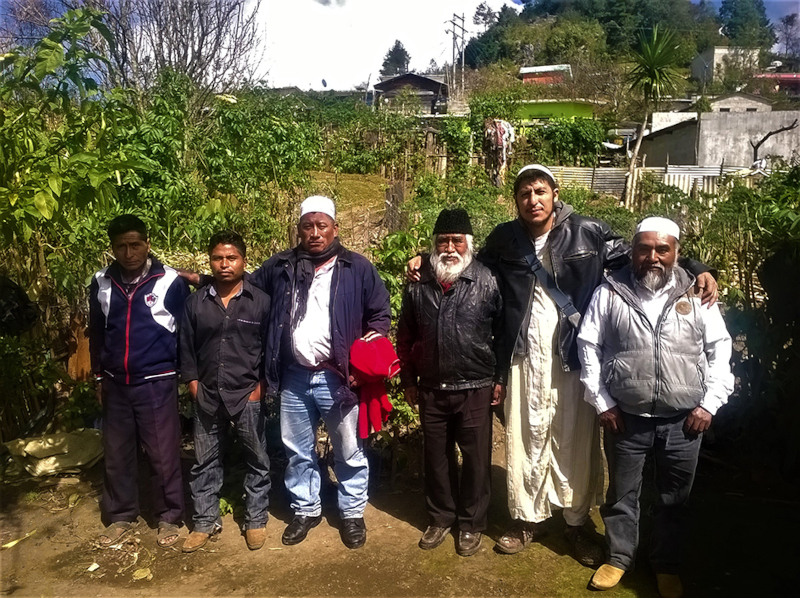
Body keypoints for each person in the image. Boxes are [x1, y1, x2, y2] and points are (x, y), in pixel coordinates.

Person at [407, 164, 718, 566]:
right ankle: (526, 519)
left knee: (574, 440)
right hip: (522, 354)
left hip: (573, 353)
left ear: (555, 193)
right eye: (524, 193)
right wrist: (423, 258)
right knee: (526, 435)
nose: (532, 200)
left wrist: (694, 265)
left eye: (539, 191)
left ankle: (576, 524)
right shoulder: (505, 239)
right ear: (515, 200)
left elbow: (645, 253)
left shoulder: (587, 230)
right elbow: (467, 263)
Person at [577, 217, 734, 597]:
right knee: (621, 495)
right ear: (632, 251)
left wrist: (709, 405)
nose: (653, 257)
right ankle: (618, 558)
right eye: (644, 248)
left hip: (685, 422)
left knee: (674, 499)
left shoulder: (698, 296)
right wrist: (603, 402)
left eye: (662, 249)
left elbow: (720, 351)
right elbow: (589, 347)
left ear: (676, 253)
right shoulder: (610, 292)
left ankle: (666, 565)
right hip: (626, 419)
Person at [249, 196, 390, 550]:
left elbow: (380, 313)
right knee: (297, 449)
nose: (315, 233)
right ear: (298, 230)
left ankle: (352, 512)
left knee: (348, 448)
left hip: (338, 376)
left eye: (321, 226)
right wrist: (205, 279)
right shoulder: (281, 266)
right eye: (307, 226)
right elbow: (245, 289)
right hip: (294, 375)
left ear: (335, 229)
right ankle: (306, 509)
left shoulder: (356, 267)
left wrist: (367, 352)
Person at [396, 208, 504, 557]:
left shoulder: (487, 280)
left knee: (475, 460)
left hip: (475, 386)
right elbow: (405, 335)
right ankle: (440, 517)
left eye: (457, 240)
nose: (450, 247)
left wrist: (498, 378)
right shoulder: (418, 283)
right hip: (431, 386)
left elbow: (503, 335)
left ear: (469, 244)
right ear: (433, 244)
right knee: (436, 458)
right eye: (443, 240)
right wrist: (408, 380)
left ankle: (472, 524)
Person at [89, 214, 190, 548]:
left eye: (135, 245)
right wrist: (99, 376)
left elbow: (185, 335)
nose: (129, 252)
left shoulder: (170, 282)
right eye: (121, 246)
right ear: (112, 248)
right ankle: (120, 516)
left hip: (156, 382)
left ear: (147, 244)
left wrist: (185, 375)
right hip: (116, 383)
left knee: (163, 453)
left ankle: (169, 517)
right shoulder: (101, 283)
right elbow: (98, 335)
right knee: (117, 453)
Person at [179, 231, 272, 553]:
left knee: (257, 459)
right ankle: (205, 522)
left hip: (247, 393)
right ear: (210, 261)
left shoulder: (260, 301)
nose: (224, 264)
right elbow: (186, 348)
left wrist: (261, 387)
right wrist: (191, 382)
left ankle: (256, 519)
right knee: (204, 462)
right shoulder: (195, 303)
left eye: (231, 258)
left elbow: (270, 349)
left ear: (244, 261)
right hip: (206, 393)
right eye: (218, 258)